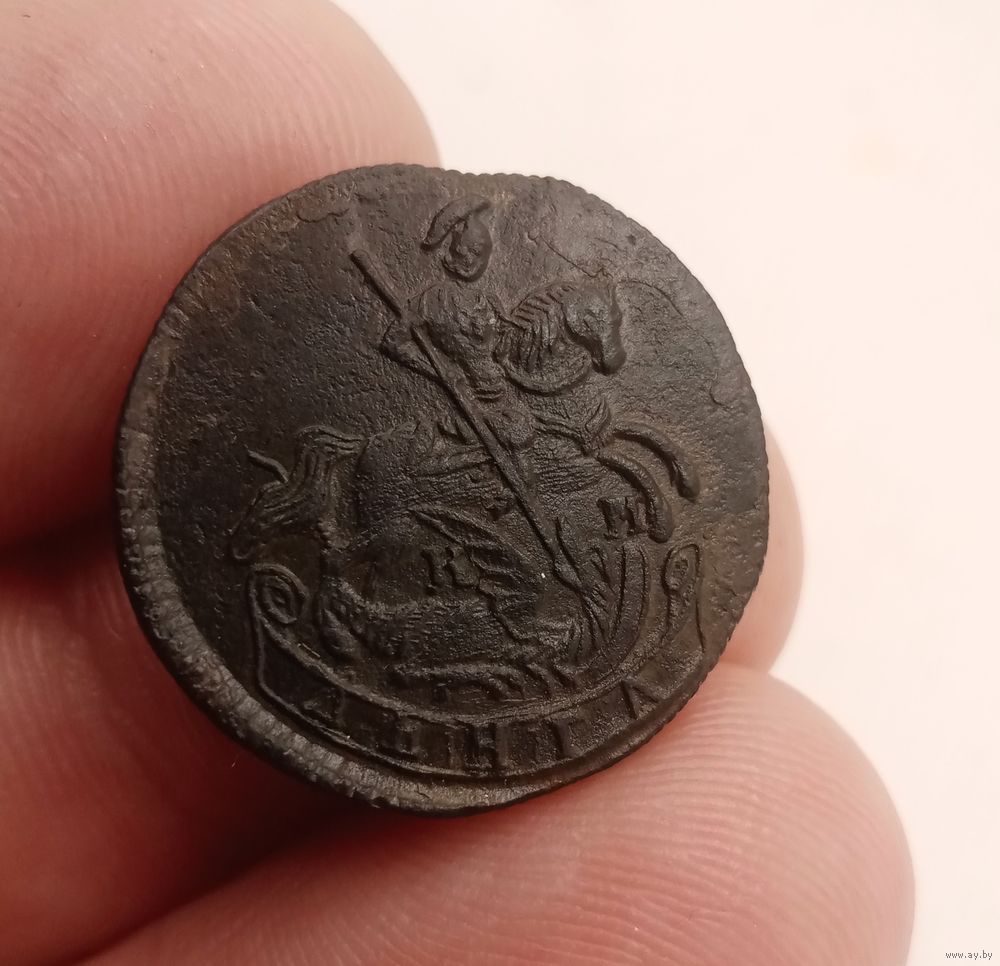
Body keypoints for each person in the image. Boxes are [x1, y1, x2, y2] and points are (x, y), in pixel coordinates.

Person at [0, 2, 911, 964]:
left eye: (566, 331)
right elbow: (431, 345)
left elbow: (567, 437)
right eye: (542, 310)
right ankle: (361, 587)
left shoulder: (563, 393)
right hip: (444, 462)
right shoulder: (474, 336)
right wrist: (446, 356)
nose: (539, 324)